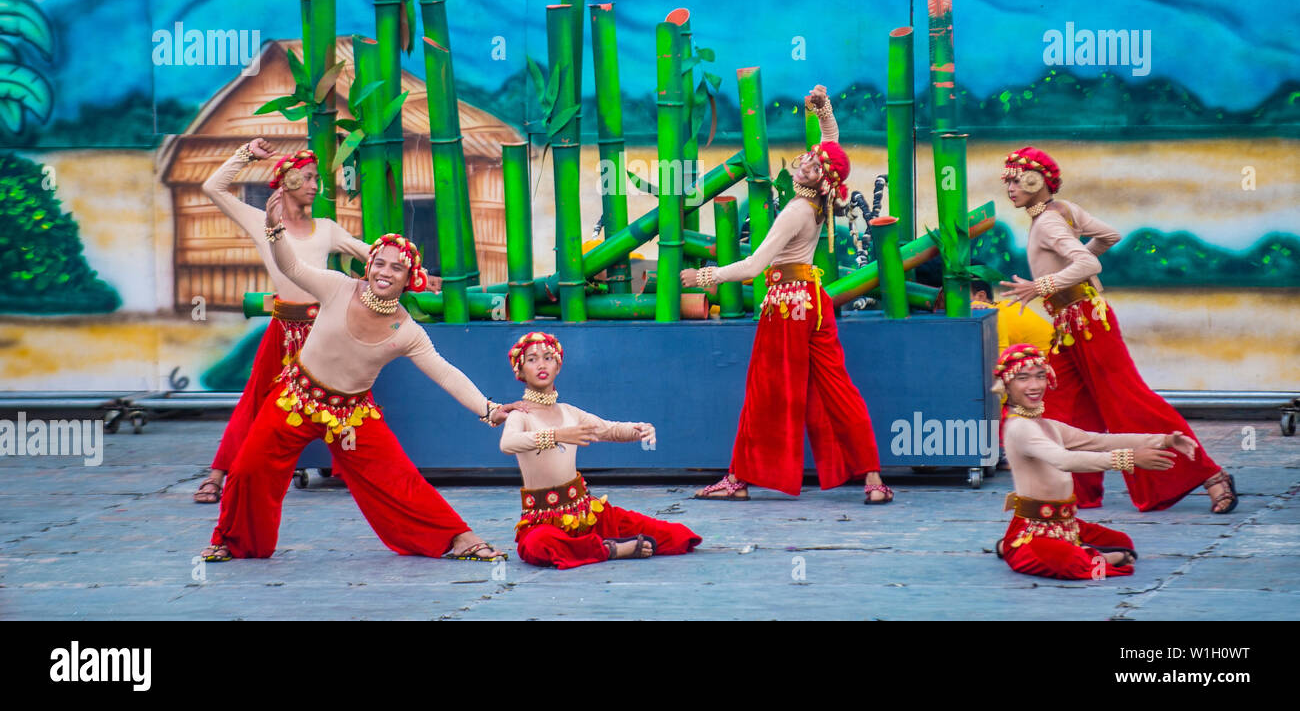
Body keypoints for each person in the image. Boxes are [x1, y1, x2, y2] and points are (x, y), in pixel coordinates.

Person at [200, 193, 522, 563]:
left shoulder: (407, 330)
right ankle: (233, 541)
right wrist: (274, 231)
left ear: (408, 279)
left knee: (397, 478)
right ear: (368, 266)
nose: (385, 272)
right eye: (379, 263)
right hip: (295, 397)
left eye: (396, 268)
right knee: (248, 470)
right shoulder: (336, 287)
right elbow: (293, 269)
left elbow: (446, 373)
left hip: (350, 415)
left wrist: (489, 409)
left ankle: (459, 538)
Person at [997, 147, 1236, 514]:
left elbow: (1089, 260)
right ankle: (1075, 491)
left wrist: (1043, 286)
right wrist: (1065, 272)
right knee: (1061, 405)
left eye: (1016, 179)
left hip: (1087, 323)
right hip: (1071, 325)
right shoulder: (1062, 210)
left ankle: (1211, 474)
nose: (1009, 187)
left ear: (1036, 180)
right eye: (1008, 180)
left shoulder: (1047, 221)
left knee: (1128, 402)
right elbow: (1109, 235)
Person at [682, 85, 890, 504]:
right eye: (805, 161)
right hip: (815, 301)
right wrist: (823, 108)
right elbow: (831, 144)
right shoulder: (821, 198)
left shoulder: (796, 211)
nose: (801, 168)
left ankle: (738, 480)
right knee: (838, 388)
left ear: (818, 179)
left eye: (810, 168)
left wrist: (706, 277)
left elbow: (754, 266)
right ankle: (873, 481)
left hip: (786, 306)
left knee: (766, 393)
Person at [193, 139, 397, 504]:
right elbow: (213, 187)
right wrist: (246, 154)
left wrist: (413, 271)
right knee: (256, 399)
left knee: (347, 398)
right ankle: (217, 475)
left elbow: (372, 255)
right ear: (284, 181)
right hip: (282, 328)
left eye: (316, 178)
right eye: (306, 178)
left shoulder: (327, 229)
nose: (315, 186)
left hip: (324, 330)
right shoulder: (261, 222)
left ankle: (365, 477)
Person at [993, 344, 1197, 580]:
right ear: (1006, 384)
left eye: (1040, 376)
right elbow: (1065, 460)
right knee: (1074, 564)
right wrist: (1130, 459)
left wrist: (1164, 439)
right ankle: (1015, 547)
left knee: (1122, 542)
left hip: (1064, 525)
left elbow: (1098, 441)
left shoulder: (1047, 425)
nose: (1035, 385)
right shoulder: (1019, 428)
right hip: (1032, 531)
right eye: (1023, 378)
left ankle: (1021, 547)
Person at [500, 331, 702, 568]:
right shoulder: (520, 414)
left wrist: (639, 430)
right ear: (520, 372)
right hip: (541, 521)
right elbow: (508, 443)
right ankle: (610, 549)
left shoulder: (569, 412)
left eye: (548, 357)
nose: (541, 364)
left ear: (558, 366)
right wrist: (556, 435)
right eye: (532, 360)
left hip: (586, 512)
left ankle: (594, 544)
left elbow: (609, 430)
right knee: (538, 545)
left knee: (678, 536)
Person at [970, 278, 1054, 354]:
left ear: (981, 296)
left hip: (1045, 364)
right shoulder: (1007, 304)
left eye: (961, 296)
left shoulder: (987, 311)